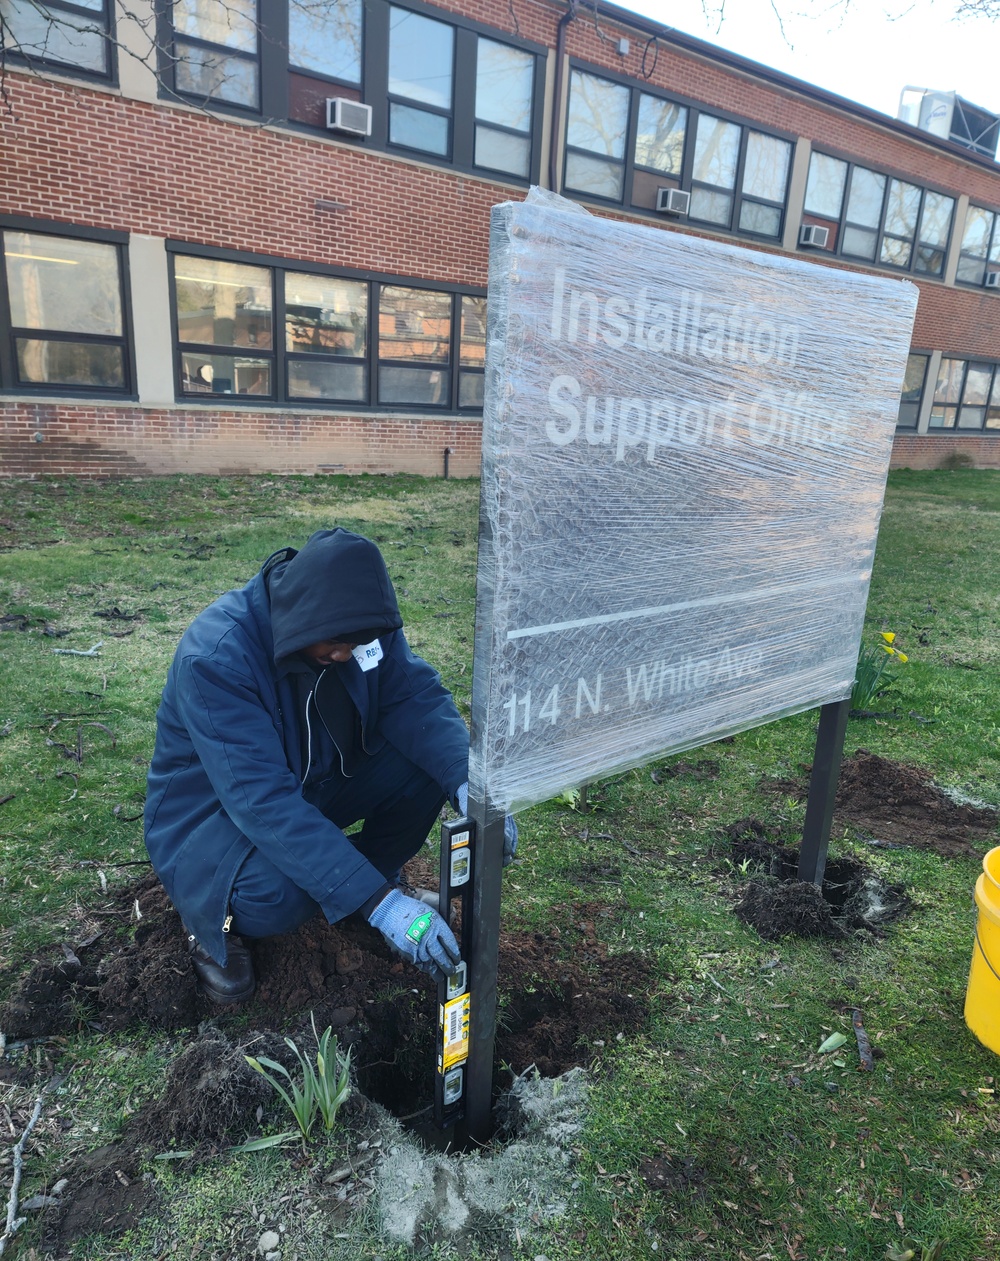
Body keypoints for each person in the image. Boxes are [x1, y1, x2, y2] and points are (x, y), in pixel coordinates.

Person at [144, 527, 515, 1004]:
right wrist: (382, 907)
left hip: (312, 783)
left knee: (428, 767)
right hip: (215, 820)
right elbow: (261, 800)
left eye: (356, 645)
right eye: (337, 644)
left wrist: (471, 784)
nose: (345, 655)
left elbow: (414, 698)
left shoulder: (358, 626)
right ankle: (212, 921)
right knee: (282, 896)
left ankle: (365, 884)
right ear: (303, 614)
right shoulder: (217, 658)